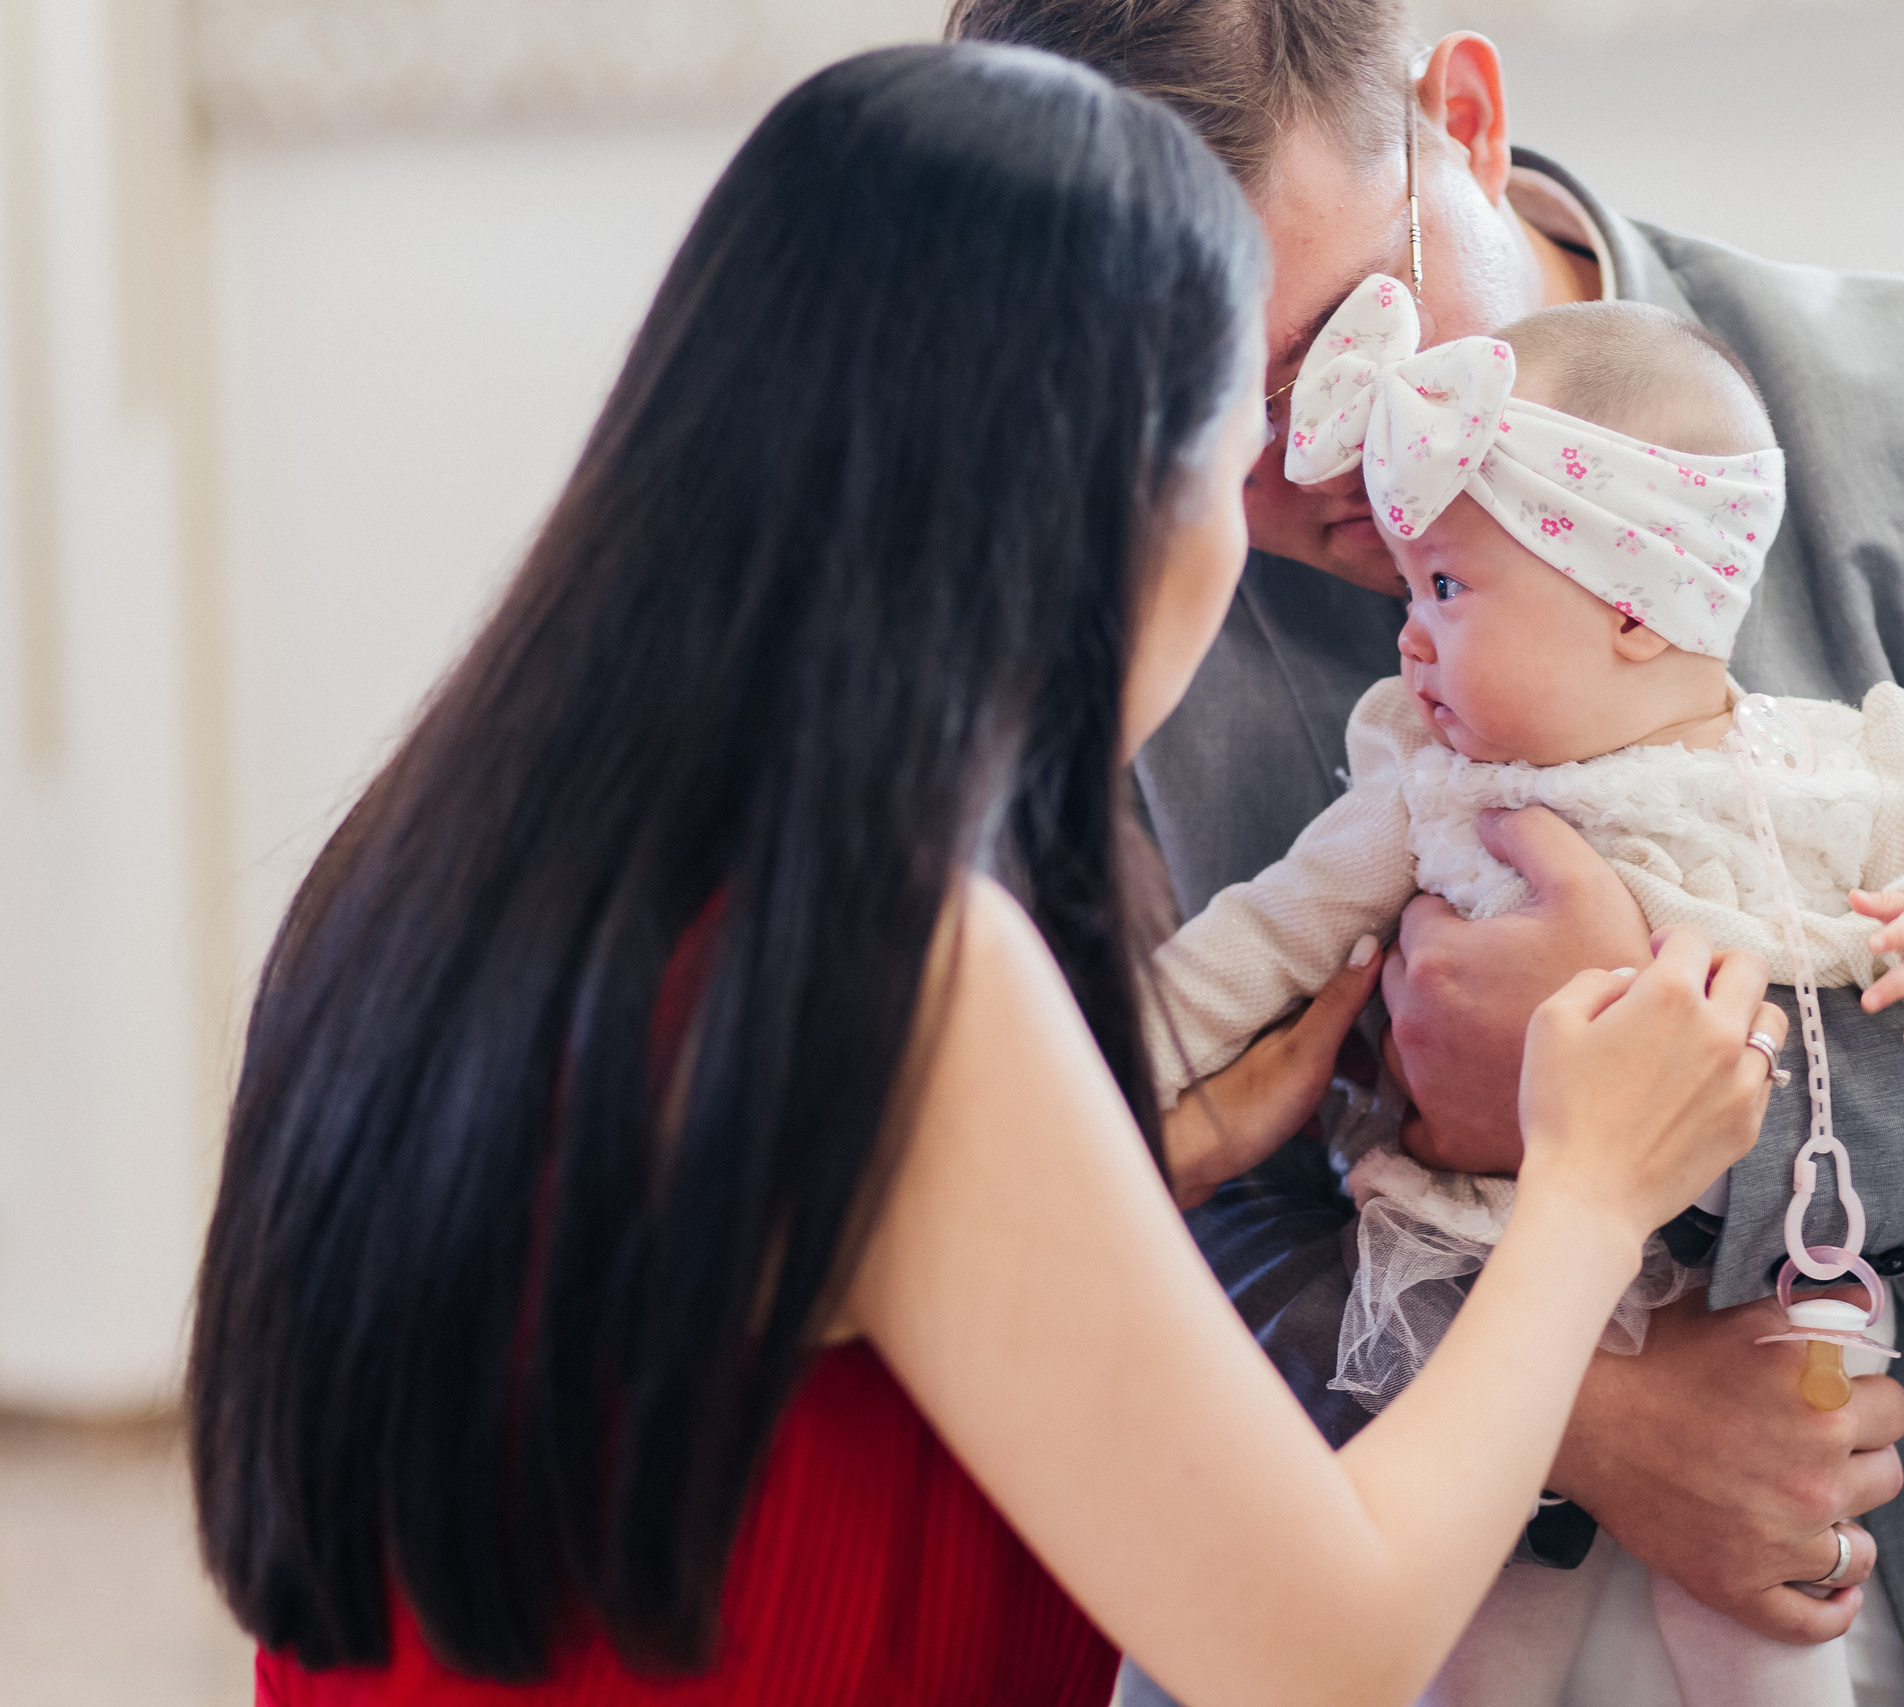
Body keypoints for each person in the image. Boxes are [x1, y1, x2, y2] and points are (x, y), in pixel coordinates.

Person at [185, 44, 1800, 1707]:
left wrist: (1134, 1160)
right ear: (1109, 488)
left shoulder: (446, 859)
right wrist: (1591, 1194)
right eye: (1236, 430)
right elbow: (1322, 1652)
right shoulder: (905, 976)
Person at [943, 3, 1904, 1703]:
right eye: (1187, 404)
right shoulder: (1099, 589)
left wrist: (1657, 1073)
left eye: (1325, 353)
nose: (1288, 469)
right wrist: (1581, 1408)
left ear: (1460, 116)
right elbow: (1071, 1177)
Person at [1145, 287, 1904, 1707]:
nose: (1409, 636)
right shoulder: (1431, 788)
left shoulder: (1823, 772)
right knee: (1476, 1628)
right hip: (1490, 1285)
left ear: (1638, 611)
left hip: (1772, 1296)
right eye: (1414, 590)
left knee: (1772, 1631)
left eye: (1447, 591)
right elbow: (1258, 941)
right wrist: (1112, 1076)